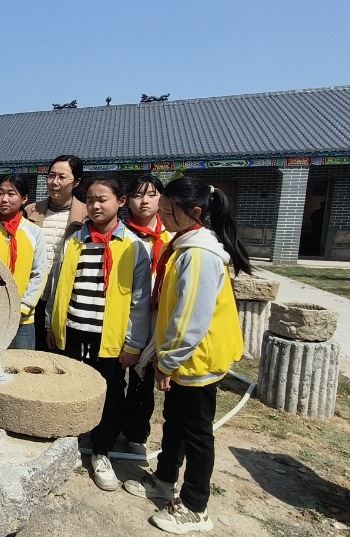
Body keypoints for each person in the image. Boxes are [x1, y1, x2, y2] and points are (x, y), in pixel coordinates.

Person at [122, 177, 251, 534]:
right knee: (175, 422)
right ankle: (165, 479)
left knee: (196, 433)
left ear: (194, 212)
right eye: (161, 210)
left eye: (168, 212)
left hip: (196, 357)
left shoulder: (199, 254)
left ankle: (195, 506)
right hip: (183, 357)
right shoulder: (184, 244)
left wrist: (167, 362)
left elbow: (191, 317)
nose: (161, 217)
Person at [46, 173, 151, 493]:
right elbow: (58, 286)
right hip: (74, 331)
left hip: (109, 338)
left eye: (102, 199)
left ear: (121, 201)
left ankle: (101, 451)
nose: (94, 206)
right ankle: (71, 442)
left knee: (109, 394)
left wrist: (133, 344)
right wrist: (52, 324)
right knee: (71, 389)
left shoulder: (134, 246)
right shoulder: (75, 241)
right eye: (90, 200)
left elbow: (139, 301)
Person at [121, 174, 172, 457]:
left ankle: (136, 434)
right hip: (124, 316)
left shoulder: (171, 235)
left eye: (151, 195)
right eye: (138, 195)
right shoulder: (120, 234)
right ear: (127, 200)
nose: (144, 201)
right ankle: (111, 426)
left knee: (143, 381)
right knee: (116, 377)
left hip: (156, 317)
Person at [24, 155, 88, 351]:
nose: (54, 182)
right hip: (31, 295)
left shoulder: (87, 216)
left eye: (62, 177)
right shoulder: (29, 211)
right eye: (51, 176)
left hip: (64, 298)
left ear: (76, 182)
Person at [0, 175, 48, 349]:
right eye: (0, 193)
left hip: (23, 319)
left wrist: (23, 307)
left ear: (24, 199)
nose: (4, 199)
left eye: (11, 194)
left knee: (22, 364)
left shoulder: (34, 233)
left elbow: (39, 273)